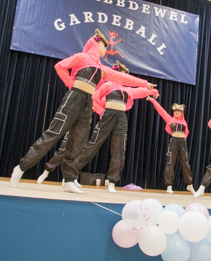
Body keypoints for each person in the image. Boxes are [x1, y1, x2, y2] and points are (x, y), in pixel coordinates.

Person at [9, 29, 155, 191]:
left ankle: (69, 179)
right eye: (104, 46)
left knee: (77, 142)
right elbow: (60, 66)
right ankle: (21, 167)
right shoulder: (82, 57)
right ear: (96, 44)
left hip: (87, 104)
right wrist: (70, 83)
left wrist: (144, 84)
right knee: (53, 134)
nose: (105, 50)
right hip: (74, 99)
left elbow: (123, 77)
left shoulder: (103, 69)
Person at [64, 61, 159, 193]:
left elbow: (141, 91)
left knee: (118, 151)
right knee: (92, 146)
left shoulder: (127, 90)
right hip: (108, 116)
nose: (124, 78)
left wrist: (154, 91)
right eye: (123, 75)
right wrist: (101, 112)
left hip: (121, 119)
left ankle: (112, 181)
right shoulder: (108, 85)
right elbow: (94, 97)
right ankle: (71, 175)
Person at [147, 97, 195, 194]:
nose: (176, 112)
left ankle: (189, 185)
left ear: (181, 113)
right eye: (175, 111)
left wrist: (183, 141)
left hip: (182, 143)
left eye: (178, 111)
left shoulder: (184, 122)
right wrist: (152, 100)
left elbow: (186, 132)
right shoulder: (170, 119)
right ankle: (169, 185)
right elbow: (161, 110)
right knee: (170, 163)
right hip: (173, 142)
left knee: (185, 164)